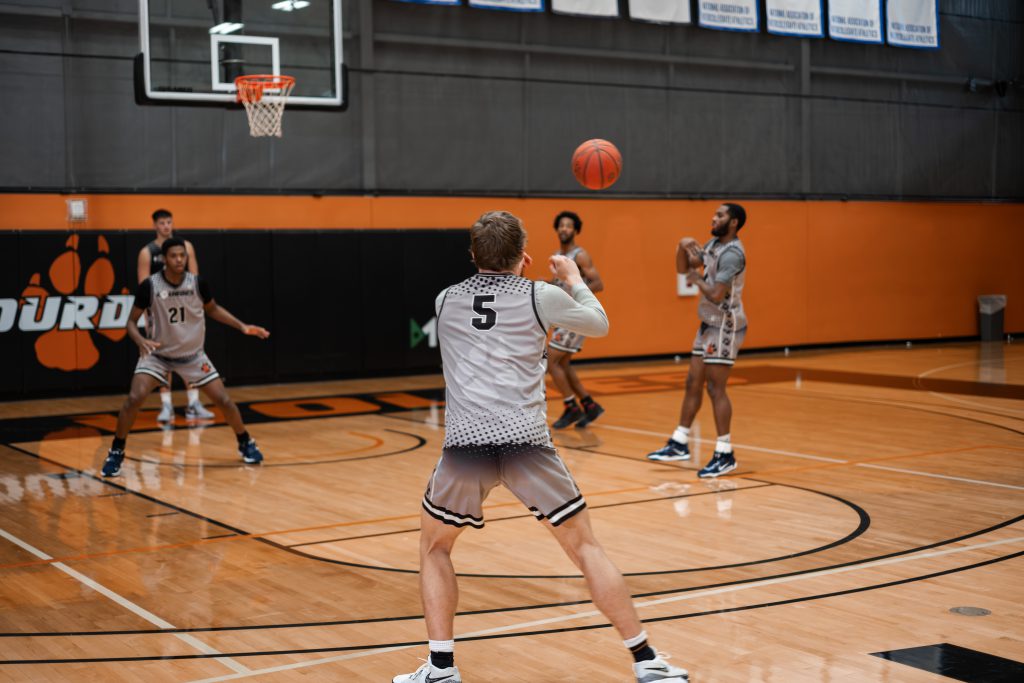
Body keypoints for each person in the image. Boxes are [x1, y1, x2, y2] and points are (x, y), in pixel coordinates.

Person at [393, 211, 689, 683]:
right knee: (585, 546)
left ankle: (441, 667)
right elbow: (599, 324)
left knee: (435, 548)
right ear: (524, 256)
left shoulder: (445, 299)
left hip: (467, 445)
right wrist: (572, 279)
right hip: (526, 442)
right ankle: (647, 660)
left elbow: (484, 311)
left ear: (472, 256)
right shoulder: (541, 294)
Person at [102, 238, 270, 477]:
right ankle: (117, 451)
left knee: (224, 400)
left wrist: (242, 326)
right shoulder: (149, 286)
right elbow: (130, 322)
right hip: (158, 355)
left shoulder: (198, 284)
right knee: (134, 398)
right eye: (174, 256)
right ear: (164, 259)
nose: (180, 259)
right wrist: (140, 340)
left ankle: (245, 441)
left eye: (183, 255)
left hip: (192, 356)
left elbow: (212, 309)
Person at [647, 203, 748, 478]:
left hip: (726, 324)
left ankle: (725, 453)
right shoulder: (713, 245)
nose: (714, 218)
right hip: (708, 324)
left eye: (720, 215)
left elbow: (716, 293)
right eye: (714, 214)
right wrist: (681, 245)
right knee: (693, 382)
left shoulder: (733, 254)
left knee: (716, 388)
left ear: (734, 222)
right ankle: (680, 443)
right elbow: (683, 268)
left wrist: (697, 279)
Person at [137, 208, 214, 422]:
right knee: (163, 356)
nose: (166, 226)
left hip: (185, 309)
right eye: (162, 223)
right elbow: (143, 286)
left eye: (169, 222)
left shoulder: (186, 246)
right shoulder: (147, 252)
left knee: (191, 354)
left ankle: (193, 403)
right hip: (160, 312)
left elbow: (196, 278)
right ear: (155, 225)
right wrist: (146, 315)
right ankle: (166, 406)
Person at [547, 211, 606, 429]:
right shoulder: (556, 255)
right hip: (563, 314)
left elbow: (598, 284)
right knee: (562, 363)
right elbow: (560, 285)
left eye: (569, 226)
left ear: (576, 230)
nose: (564, 229)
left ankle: (571, 407)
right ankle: (589, 405)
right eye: (561, 225)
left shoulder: (580, 255)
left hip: (575, 314)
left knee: (550, 361)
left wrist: (574, 294)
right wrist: (543, 284)